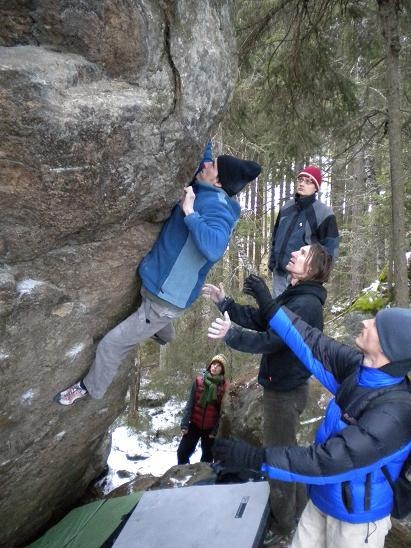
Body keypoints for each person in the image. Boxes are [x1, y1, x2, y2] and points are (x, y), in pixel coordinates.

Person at [210, 276, 411, 548]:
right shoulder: (359, 369)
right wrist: (269, 306)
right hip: (321, 501)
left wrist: (255, 457)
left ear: (390, 347)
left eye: (376, 325)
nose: (365, 322)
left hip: (356, 522)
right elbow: (311, 341)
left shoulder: (395, 412)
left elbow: (329, 460)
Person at [55, 146, 261, 405]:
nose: (206, 165)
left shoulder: (218, 208)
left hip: (165, 299)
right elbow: (205, 156)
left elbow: (215, 246)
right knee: (156, 321)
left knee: (111, 345)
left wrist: (190, 213)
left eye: (213, 166)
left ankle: (88, 389)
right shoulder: (206, 184)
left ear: (219, 181)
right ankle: (164, 333)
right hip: (162, 288)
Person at [202, 243, 332, 546]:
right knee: (288, 452)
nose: (294, 253)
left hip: (285, 392)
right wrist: (226, 303)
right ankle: (298, 512)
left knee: (279, 458)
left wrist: (231, 335)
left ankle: (284, 525)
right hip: (283, 385)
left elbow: (272, 340)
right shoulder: (296, 295)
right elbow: (263, 318)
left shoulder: (306, 304)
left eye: (302, 254)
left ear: (311, 269)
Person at [268, 165, 339, 296]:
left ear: (316, 187)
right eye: (300, 180)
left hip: (302, 279)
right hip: (279, 274)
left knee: (295, 314)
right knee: (276, 313)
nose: (302, 184)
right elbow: (276, 236)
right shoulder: (287, 207)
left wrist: (315, 278)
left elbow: (330, 251)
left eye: (308, 181)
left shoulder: (324, 213)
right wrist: (272, 262)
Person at [177, 354, 228, 465]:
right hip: (194, 424)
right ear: (210, 365)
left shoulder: (224, 387)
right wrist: (184, 424)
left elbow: (222, 412)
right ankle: (184, 477)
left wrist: (215, 430)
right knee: (182, 453)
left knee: (207, 459)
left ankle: (201, 480)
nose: (215, 367)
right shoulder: (199, 381)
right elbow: (190, 403)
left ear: (222, 370)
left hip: (210, 429)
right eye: (213, 364)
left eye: (219, 366)